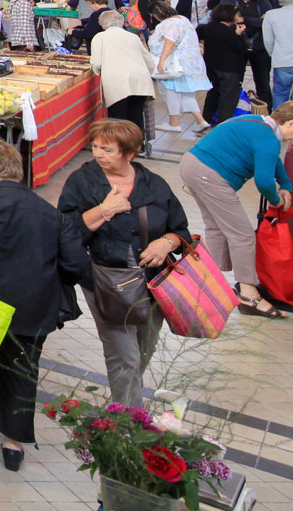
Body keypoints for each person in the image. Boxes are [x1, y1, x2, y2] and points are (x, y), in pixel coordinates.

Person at [0, 142, 90, 471]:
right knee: (21, 371)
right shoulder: (50, 212)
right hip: (32, 305)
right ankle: (12, 443)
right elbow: (76, 263)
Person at [56, 119, 192, 406]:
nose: (98, 154)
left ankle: (123, 407)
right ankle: (130, 424)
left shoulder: (153, 185)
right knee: (123, 354)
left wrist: (165, 242)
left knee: (145, 347)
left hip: (154, 282)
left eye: (107, 149)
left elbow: (180, 230)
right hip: (106, 280)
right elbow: (65, 231)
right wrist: (103, 211)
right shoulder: (82, 182)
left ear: (129, 154)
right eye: (94, 147)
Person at [179, 102, 293, 319]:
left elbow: (271, 159)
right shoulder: (268, 138)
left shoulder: (260, 123)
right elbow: (264, 181)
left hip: (193, 165)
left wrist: (286, 185)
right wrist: (275, 199)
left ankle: (210, 285)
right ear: (291, 122)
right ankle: (248, 295)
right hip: (209, 175)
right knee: (242, 235)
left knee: (217, 229)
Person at [146, 1, 211, 147]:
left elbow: (169, 43)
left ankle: (174, 122)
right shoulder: (183, 19)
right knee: (185, 93)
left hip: (174, 64)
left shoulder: (168, 24)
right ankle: (200, 121)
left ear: (156, 14)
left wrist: (161, 62)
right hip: (189, 64)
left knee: (172, 93)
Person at [90, 9, 156, 128]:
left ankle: (121, 145)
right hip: (139, 80)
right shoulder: (133, 37)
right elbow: (150, 62)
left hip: (116, 81)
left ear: (103, 25)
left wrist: (99, 72)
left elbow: (96, 63)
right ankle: (137, 145)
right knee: (136, 116)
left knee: (118, 120)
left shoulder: (100, 37)